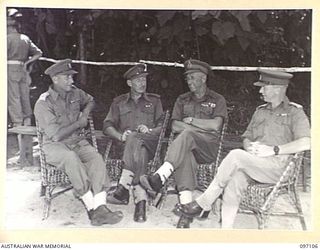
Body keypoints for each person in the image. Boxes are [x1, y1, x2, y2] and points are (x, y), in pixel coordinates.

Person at [175, 69, 311, 228]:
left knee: (236, 155)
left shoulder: (294, 112)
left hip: (279, 168)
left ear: (278, 88)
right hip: (255, 164)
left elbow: (307, 142)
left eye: (264, 87)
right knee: (235, 179)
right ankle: (226, 232)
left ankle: (203, 203)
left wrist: (274, 149)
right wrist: (249, 146)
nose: (260, 91)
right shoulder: (260, 111)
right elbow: (247, 137)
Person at [34, 59, 123, 226]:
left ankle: (100, 208)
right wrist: (78, 124)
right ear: (55, 79)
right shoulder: (43, 103)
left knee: (96, 158)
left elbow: (91, 100)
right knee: (71, 158)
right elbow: (55, 136)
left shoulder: (75, 93)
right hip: (55, 146)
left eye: (71, 77)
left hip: (77, 141)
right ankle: (93, 210)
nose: (72, 81)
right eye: (67, 77)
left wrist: (84, 114)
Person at [140, 59, 228, 228]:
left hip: (208, 148)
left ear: (203, 78)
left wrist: (191, 122)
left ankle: (161, 176)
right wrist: (199, 127)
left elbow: (215, 125)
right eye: (187, 78)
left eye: (193, 78)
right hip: (186, 148)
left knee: (187, 134)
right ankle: (186, 211)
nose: (189, 82)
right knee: (185, 155)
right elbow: (174, 126)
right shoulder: (182, 100)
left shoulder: (217, 99)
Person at [103, 64, 164, 223]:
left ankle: (123, 189)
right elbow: (107, 125)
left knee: (136, 139)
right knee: (137, 149)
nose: (142, 83)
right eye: (137, 80)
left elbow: (163, 128)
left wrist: (149, 131)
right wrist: (121, 136)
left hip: (150, 145)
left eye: (144, 79)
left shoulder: (155, 101)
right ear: (129, 83)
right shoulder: (119, 102)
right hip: (126, 149)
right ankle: (141, 205)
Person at [7, 8, 43, 127]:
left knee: (14, 97)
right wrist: (27, 63)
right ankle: (27, 120)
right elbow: (38, 53)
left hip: (9, 69)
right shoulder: (25, 38)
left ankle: (17, 123)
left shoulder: (6, 39)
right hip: (22, 69)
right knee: (24, 95)